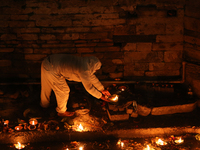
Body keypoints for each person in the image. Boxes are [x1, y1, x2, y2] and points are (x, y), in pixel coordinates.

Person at [40, 54, 111, 117]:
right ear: (93, 66)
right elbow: (89, 88)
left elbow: (91, 76)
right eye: (96, 69)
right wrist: (101, 96)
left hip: (48, 62)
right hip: (52, 68)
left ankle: (44, 105)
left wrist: (102, 89)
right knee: (63, 90)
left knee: (46, 86)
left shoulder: (86, 63)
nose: (95, 71)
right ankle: (61, 111)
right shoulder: (84, 69)